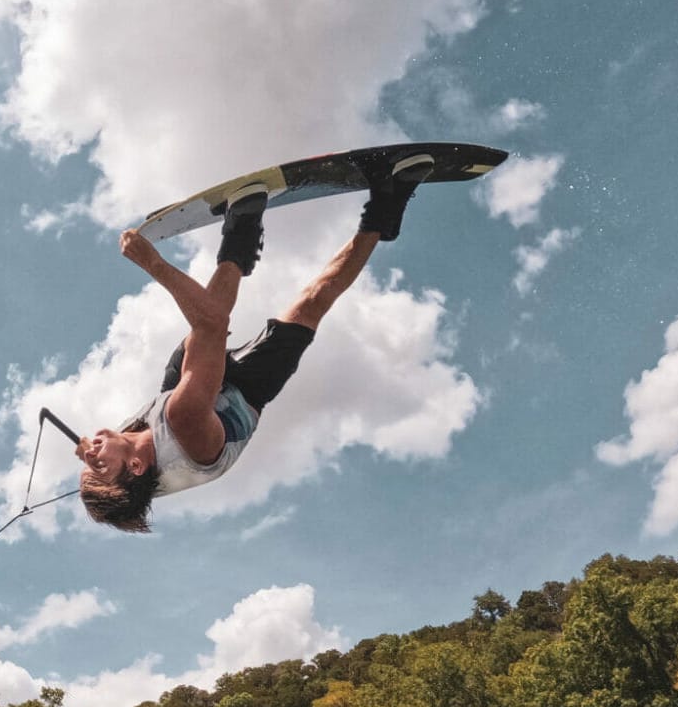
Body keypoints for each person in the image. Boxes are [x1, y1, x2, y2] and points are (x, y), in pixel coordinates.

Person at [76, 153, 434, 532]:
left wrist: (96, 458)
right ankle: (384, 207)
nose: (91, 454)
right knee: (308, 304)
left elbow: (122, 485)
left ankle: (244, 218)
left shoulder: (135, 470)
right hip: (243, 399)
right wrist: (153, 264)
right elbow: (213, 323)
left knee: (205, 329)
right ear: (135, 466)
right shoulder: (183, 422)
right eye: (97, 464)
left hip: (180, 403)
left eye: (87, 461)